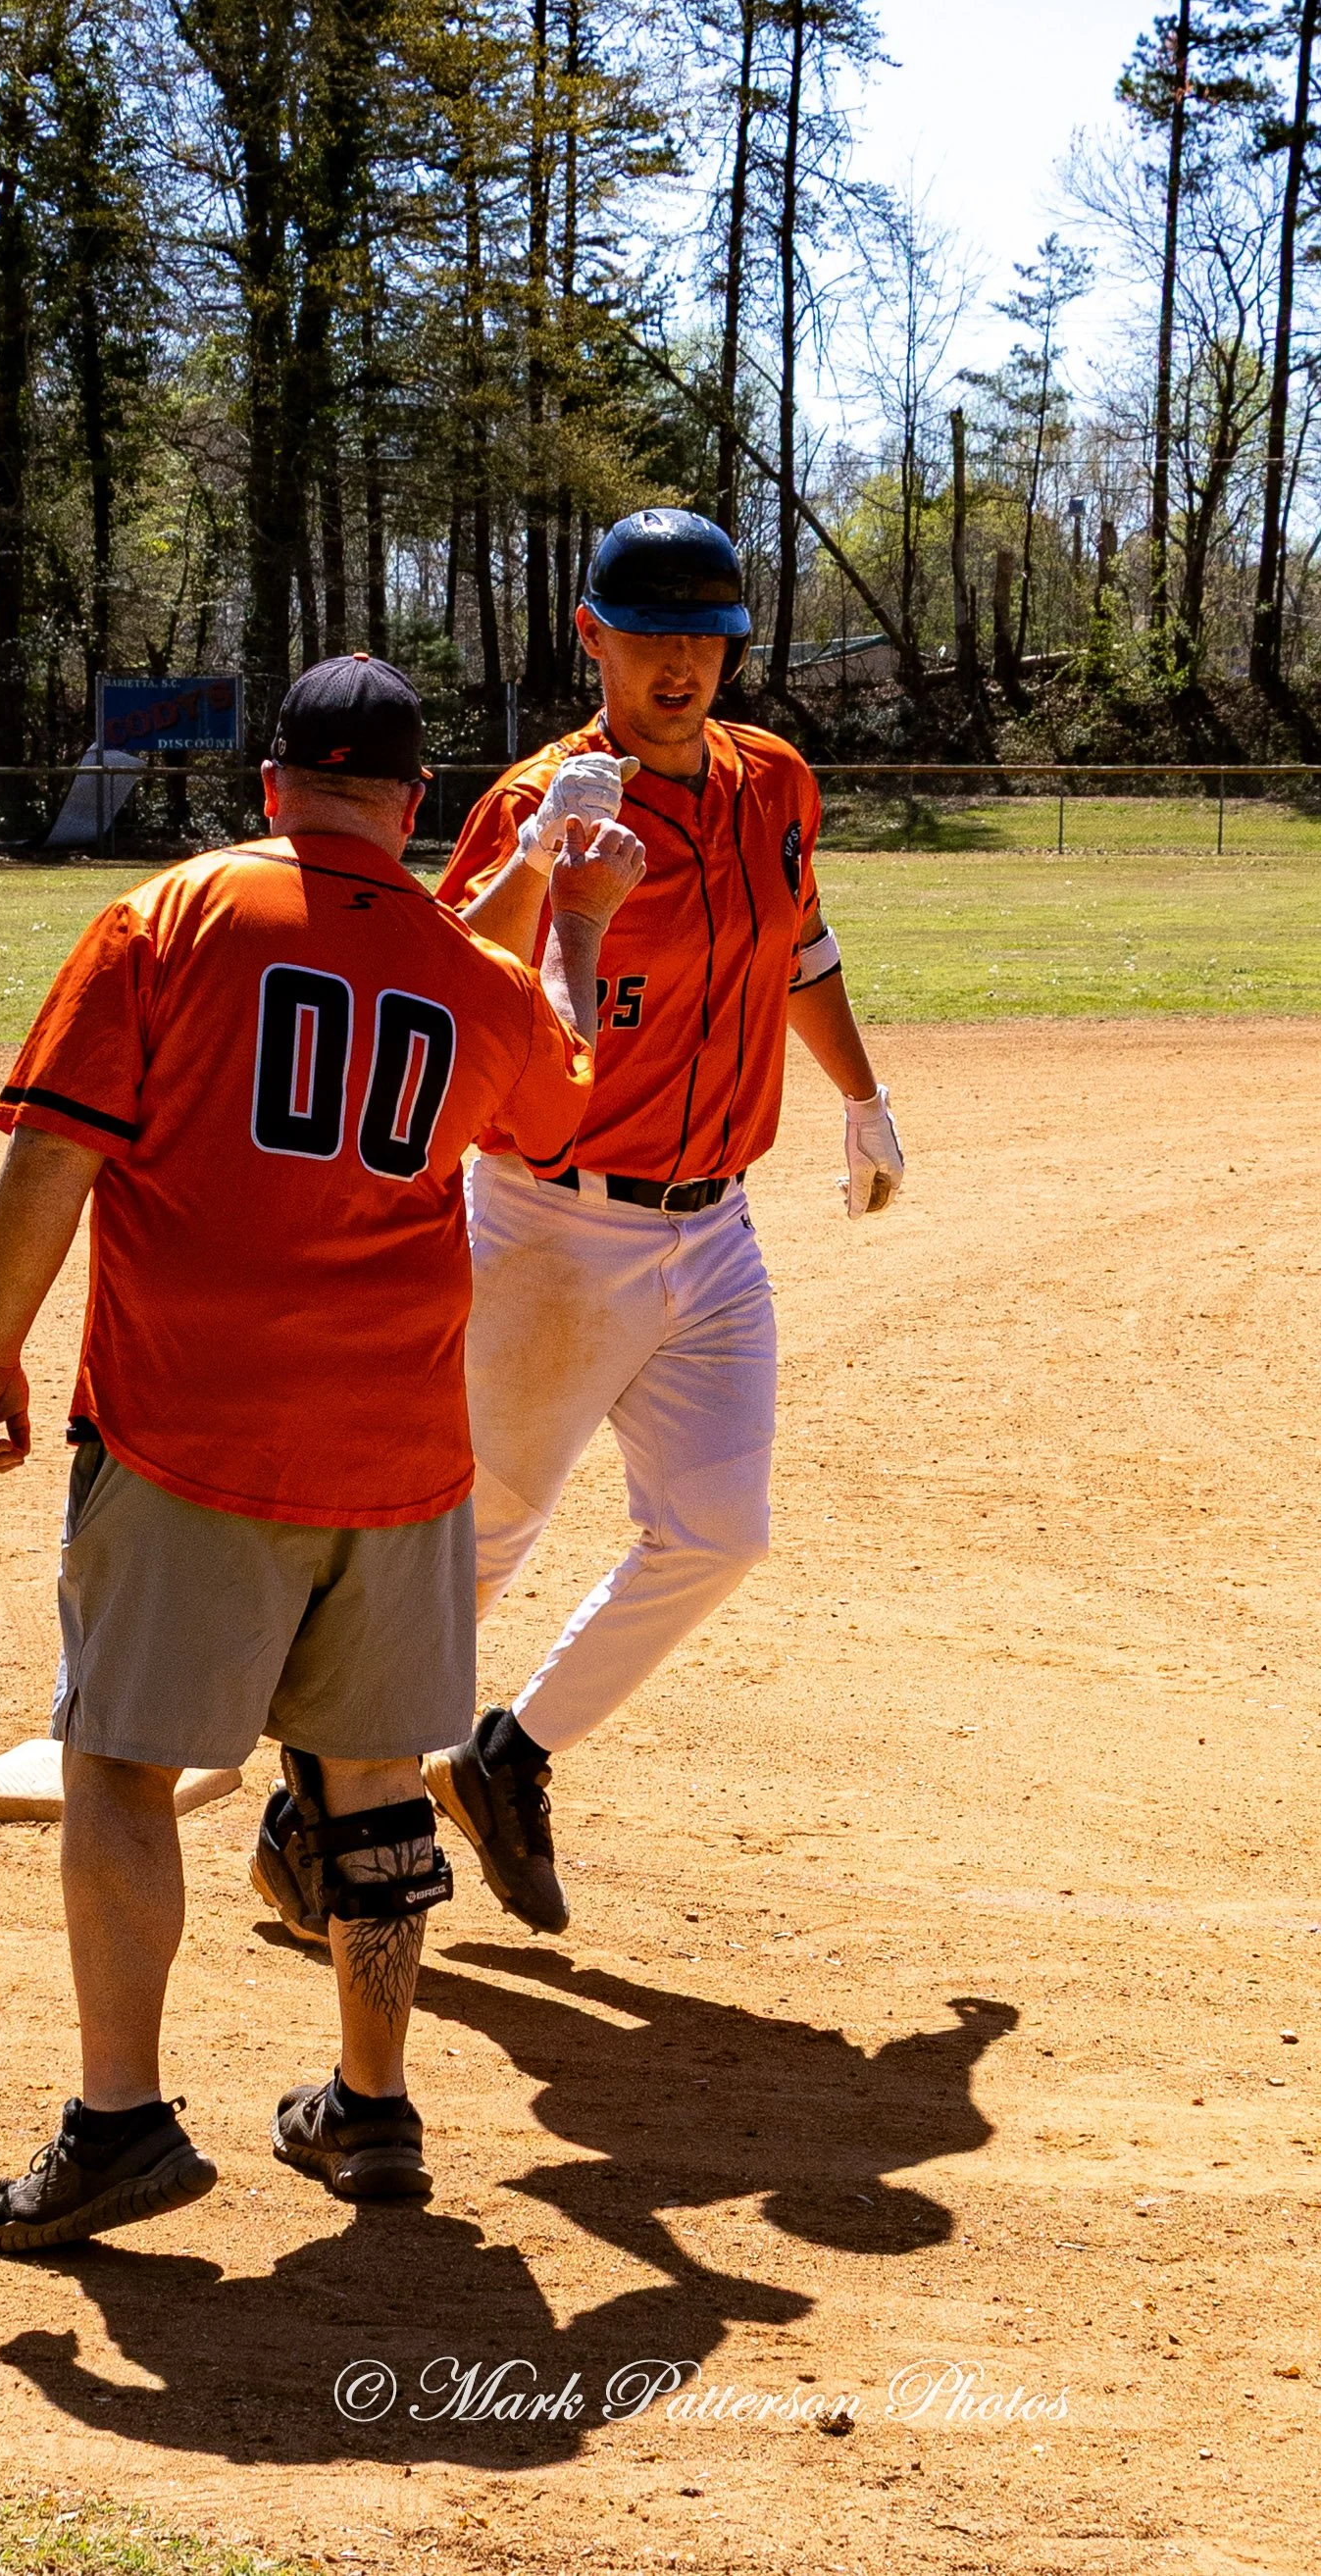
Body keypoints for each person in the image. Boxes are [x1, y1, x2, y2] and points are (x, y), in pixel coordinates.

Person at [0, 653, 640, 2252]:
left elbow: (55, 1149)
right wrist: (576, 914)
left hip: (189, 1423)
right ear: (410, 809)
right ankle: (372, 2108)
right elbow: (557, 1094)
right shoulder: (462, 968)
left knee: (121, 1764)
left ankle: (119, 2122)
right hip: (396, 1450)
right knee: (373, 1786)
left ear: (271, 784)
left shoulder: (169, 915)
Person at [410, 508, 906, 1935]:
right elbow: (449, 984)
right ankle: (321, 1802)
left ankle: (503, 1757)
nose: (682, 660)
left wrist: (862, 1099)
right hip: (549, 1225)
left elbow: (796, 946)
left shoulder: (774, 783)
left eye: (708, 632)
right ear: (593, 636)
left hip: (713, 1228)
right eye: (652, 631)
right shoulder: (541, 798)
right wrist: (542, 873)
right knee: (480, 1546)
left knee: (717, 1529)